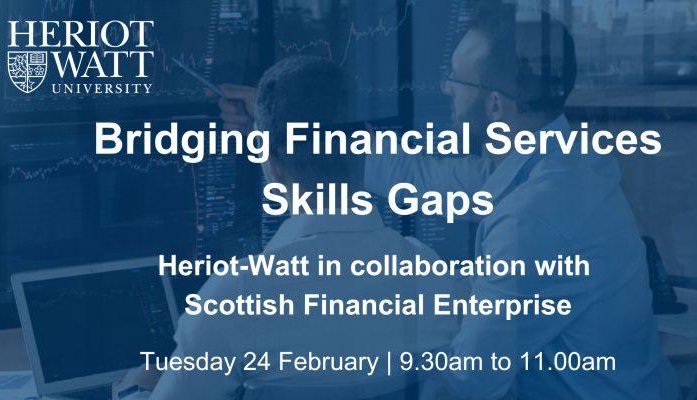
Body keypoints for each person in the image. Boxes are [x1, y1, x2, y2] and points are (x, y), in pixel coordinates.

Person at [215, 3, 680, 399]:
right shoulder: (560, 163)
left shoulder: (533, 217)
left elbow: (469, 384)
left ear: (495, 105)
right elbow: (422, 177)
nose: (446, 89)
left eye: (457, 79)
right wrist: (283, 122)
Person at [114, 56, 464, 400]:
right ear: (367, 147)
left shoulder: (235, 299)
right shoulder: (432, 275)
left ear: (273, 166)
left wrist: (136, 389)